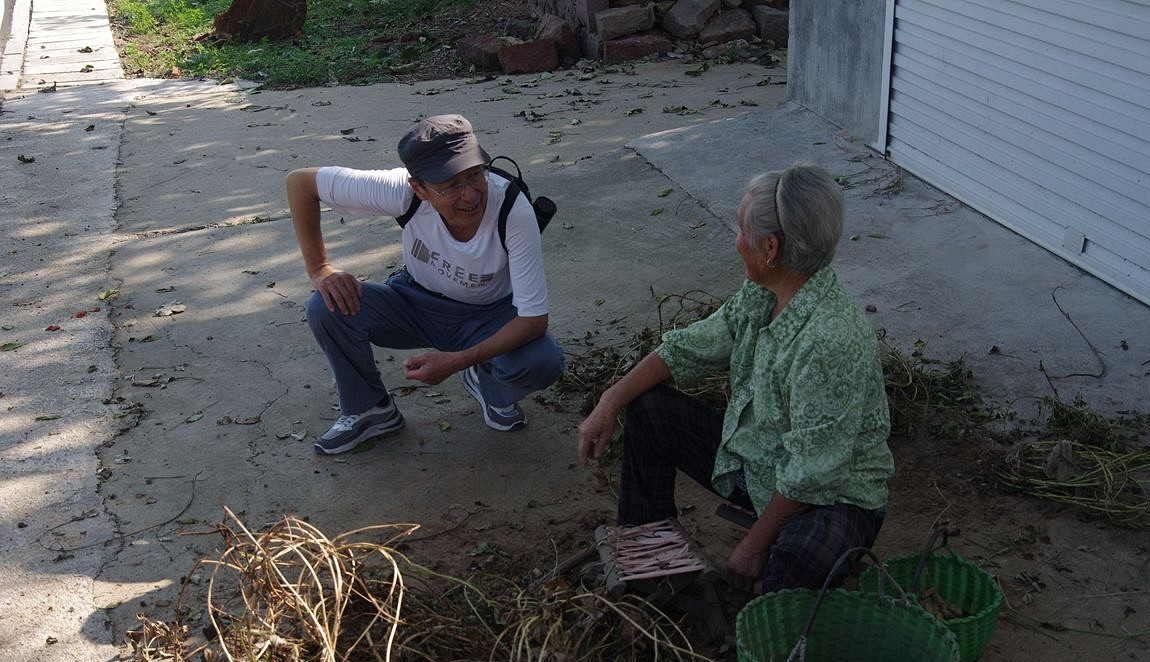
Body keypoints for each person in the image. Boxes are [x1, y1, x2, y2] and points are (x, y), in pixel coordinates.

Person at [577, 164, 894, 592]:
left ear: (770, 248)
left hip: (833, 496)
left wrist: (752, 544)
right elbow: (690, 346)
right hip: (759, 465)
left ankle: (767, 613)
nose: (736, 241)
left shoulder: (827, 342)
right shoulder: (764, 292)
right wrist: (609, 401)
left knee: (797, 559)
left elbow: (811, 475)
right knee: (650, 411)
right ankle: (649, 564)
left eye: (741, 230)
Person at [287, 114, 564, 455]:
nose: (470, 195)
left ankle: (487, 381)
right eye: (450, 186)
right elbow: (301, 183)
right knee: (325, 305)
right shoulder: (402, 192)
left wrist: (460, 360)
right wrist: (320, 268)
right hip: (414, 302)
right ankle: (370, 409)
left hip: (487, 316)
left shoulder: (512, 209)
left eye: (476, 174)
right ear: (419, 187)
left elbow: (534, 319)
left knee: (542, 361)